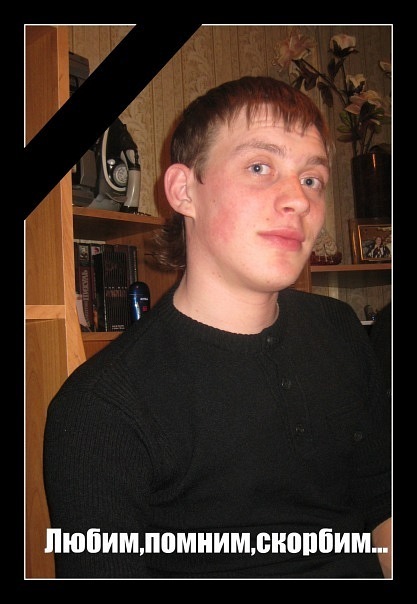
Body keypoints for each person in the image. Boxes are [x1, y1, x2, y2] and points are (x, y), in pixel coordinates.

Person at [43, 76, 391, 579]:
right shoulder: (101, 409)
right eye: (259, 167)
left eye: (311, 179)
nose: (298, 200)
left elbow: (382, 499)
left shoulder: (339, 329)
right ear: (184, 191)